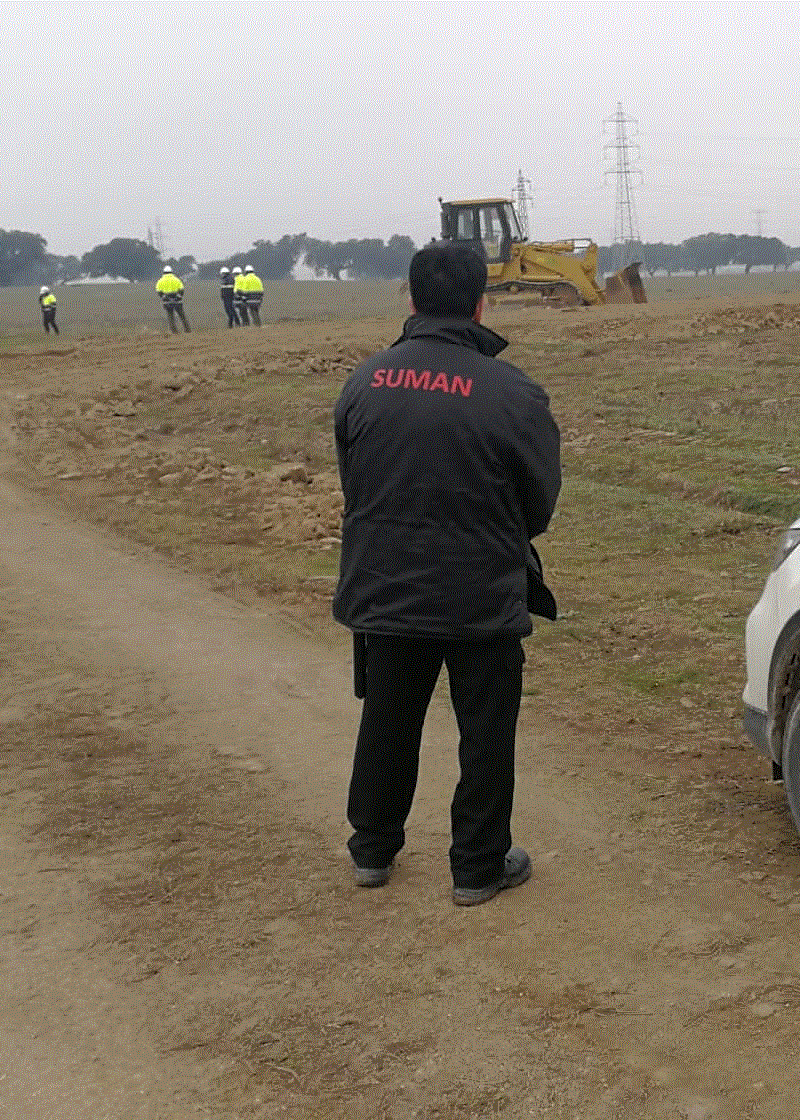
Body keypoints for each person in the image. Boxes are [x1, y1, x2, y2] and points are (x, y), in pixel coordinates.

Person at [332, 244, 560, 907]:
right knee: (485, 730)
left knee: (387, 717)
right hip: (481, 593)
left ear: (411, 301)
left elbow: (359, 488)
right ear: (480, 302)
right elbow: (538, 501)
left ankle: (371, 849)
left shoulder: (363, 382)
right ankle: (478, 865)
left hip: (385, 587)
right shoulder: (514, 393)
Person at [155, 265, 190, 333]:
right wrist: (179, 296)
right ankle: (187, 330)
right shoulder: (177, 279)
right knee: (182, 316)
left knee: (170, 317)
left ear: (164, 272)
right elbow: (182, 289)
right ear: (171, 272)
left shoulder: (160, 281)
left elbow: (158, 291)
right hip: (177, 301)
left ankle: (174, 331)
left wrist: (164, 297)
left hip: (167, 302)